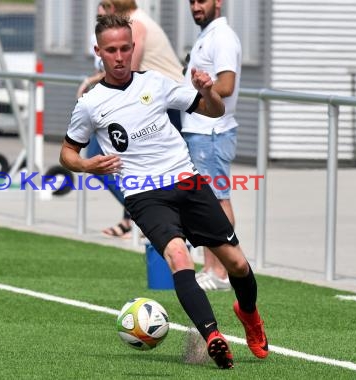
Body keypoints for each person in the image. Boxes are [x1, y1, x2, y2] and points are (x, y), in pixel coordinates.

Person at [60, 14, 269, 369]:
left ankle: (248, 314)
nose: (120, 56)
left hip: (186, 182)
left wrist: (206, 90)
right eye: (111, 50)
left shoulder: (156, 83)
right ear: (99, 52)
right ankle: (213, 336)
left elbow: (214, 111)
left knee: (237, 263)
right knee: (178, 256)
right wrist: (86, 165)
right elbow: (67, 153)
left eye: (126, 48)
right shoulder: (90, 104)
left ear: (133, 48)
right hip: (144, 195)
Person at [77, 0, 185, 238]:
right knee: (126, 164)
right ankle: (134, 218)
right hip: (151, 102)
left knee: (101, 157)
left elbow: (127, 74)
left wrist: (91, 86)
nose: (101, 12)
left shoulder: (136, 24)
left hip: (161, 104)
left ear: (114, 7)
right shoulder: (134, 21)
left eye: (104, 6)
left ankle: (149, 218)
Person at [181, 0, 241, 291]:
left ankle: (221, 271)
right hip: (202, 130)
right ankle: (212, 267)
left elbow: (227, 85)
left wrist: (191, 94)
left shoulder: (222, 36)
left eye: (201, 0)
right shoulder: (207, 35)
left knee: (218, 199)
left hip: (212, 131)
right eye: (191, 1)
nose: (195, 6)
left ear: (218, 2)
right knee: (208, 199)